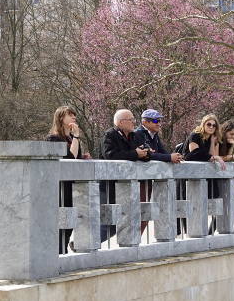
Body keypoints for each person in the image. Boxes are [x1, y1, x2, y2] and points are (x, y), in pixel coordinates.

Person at [46, 106, 92, 254]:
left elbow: (75, 158)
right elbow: (69, 159)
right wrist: (77, 137)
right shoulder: (53, 138)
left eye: (74, 115)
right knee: (63, 218)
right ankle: (59, 250)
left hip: (72, 184)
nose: (74, 118)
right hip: (60, 186)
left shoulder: (70, 138)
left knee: (71, 218)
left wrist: (83, 157)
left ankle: (63, 248)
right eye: (70, 115)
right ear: (61, 118)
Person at [99, 109, 150, 242]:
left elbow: (139, 153)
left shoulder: (134, 135)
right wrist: (135, 154)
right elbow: (110, 155)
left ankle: (86, 243)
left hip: (125, 185)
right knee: (109, 220)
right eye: (131, 119)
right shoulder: (110, 135)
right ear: (121, 122)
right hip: (109, 185)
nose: (134, 122)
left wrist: (146, 153)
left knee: (119, 221)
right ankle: (85, 243)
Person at [134, 109, 183, 235]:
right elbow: (148, 155)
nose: (159, 123)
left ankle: (135, 241)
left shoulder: (154, 135)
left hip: (148, 178)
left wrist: (174, 156)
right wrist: (169, 158)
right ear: (145, 122)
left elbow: (161, 152)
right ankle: (132, 241)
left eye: (159, 120)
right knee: (142, 212)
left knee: (145, 214)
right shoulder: (139, 134)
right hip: (138, 180)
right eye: (156, 120)